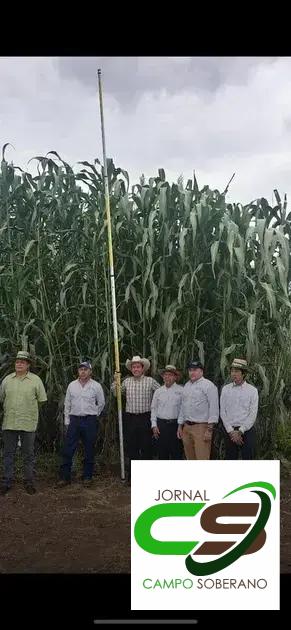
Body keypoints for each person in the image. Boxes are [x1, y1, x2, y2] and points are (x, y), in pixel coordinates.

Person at [0, 350, 47, 495]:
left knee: (28, 454)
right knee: (8, 454)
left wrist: (29, 412)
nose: (19, 364)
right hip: (10, 423)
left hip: (28, 423)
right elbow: (2, 399)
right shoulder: (7, 380)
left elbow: (41, 400)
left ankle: (29, 482)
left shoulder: (36, 380)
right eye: (17, 361)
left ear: (28, 365)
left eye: (22, 362)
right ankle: (7, 481)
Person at [111, 355, 160, 482]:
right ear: (131, 369)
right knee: (132, 447)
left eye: (138, 367)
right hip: (130, 419)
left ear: (143, 368)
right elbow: (117, 394)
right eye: (134, 367)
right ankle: (132, 478)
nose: (136, 369)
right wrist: (116, 381)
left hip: (145, 418)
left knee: (146, 447)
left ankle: (146, 478)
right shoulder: (126, 382)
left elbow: (161, 394)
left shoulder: (150, 381)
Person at [58, 360, 105, 487]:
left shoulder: (96, 386)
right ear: (78, 371)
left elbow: (101, 403)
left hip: (89, 420)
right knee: (68, 449)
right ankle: (65, 477)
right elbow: (67, 404)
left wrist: (94, 415)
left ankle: (87, 477)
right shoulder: (72, 385)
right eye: (81, 369)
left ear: (90, 371)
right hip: (74, 420)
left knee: (89, 448)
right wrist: (67, 421)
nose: (83, 372)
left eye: (85, 369)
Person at [177, 360, 219, 460]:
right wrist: (180, 426)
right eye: (190, 370)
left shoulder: (209, 386)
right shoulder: (187, 385)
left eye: (195, 370)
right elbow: (183, 407)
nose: (192, 372)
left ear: (201, 371)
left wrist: (209, 429)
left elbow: (214, 408)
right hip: (186, 427)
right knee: (190, 458)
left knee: (202, 458)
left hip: (201, 428)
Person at [220, 358, 258, 460]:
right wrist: (231, 431)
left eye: (236, 371)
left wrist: (240, 431)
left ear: (244, 373)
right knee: (230, 458)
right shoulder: (226, 389)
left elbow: (252, 414)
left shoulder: (252, 391)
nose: (233, 374)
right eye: (232, 371)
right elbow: (222, 411)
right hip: (229, 430)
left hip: (246, 430)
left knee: (247, 458)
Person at [151, 364, 183, 459]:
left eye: (170, 375)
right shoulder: (158, 391)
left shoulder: (181, 391)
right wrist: (154, 425)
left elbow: (183, 409)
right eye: (165, 374)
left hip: (176, 426)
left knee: (176, 454)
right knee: (162, 454)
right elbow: (153, 408)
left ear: (175, 377)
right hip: (161, 426)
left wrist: (180, 426)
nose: (167, 377)